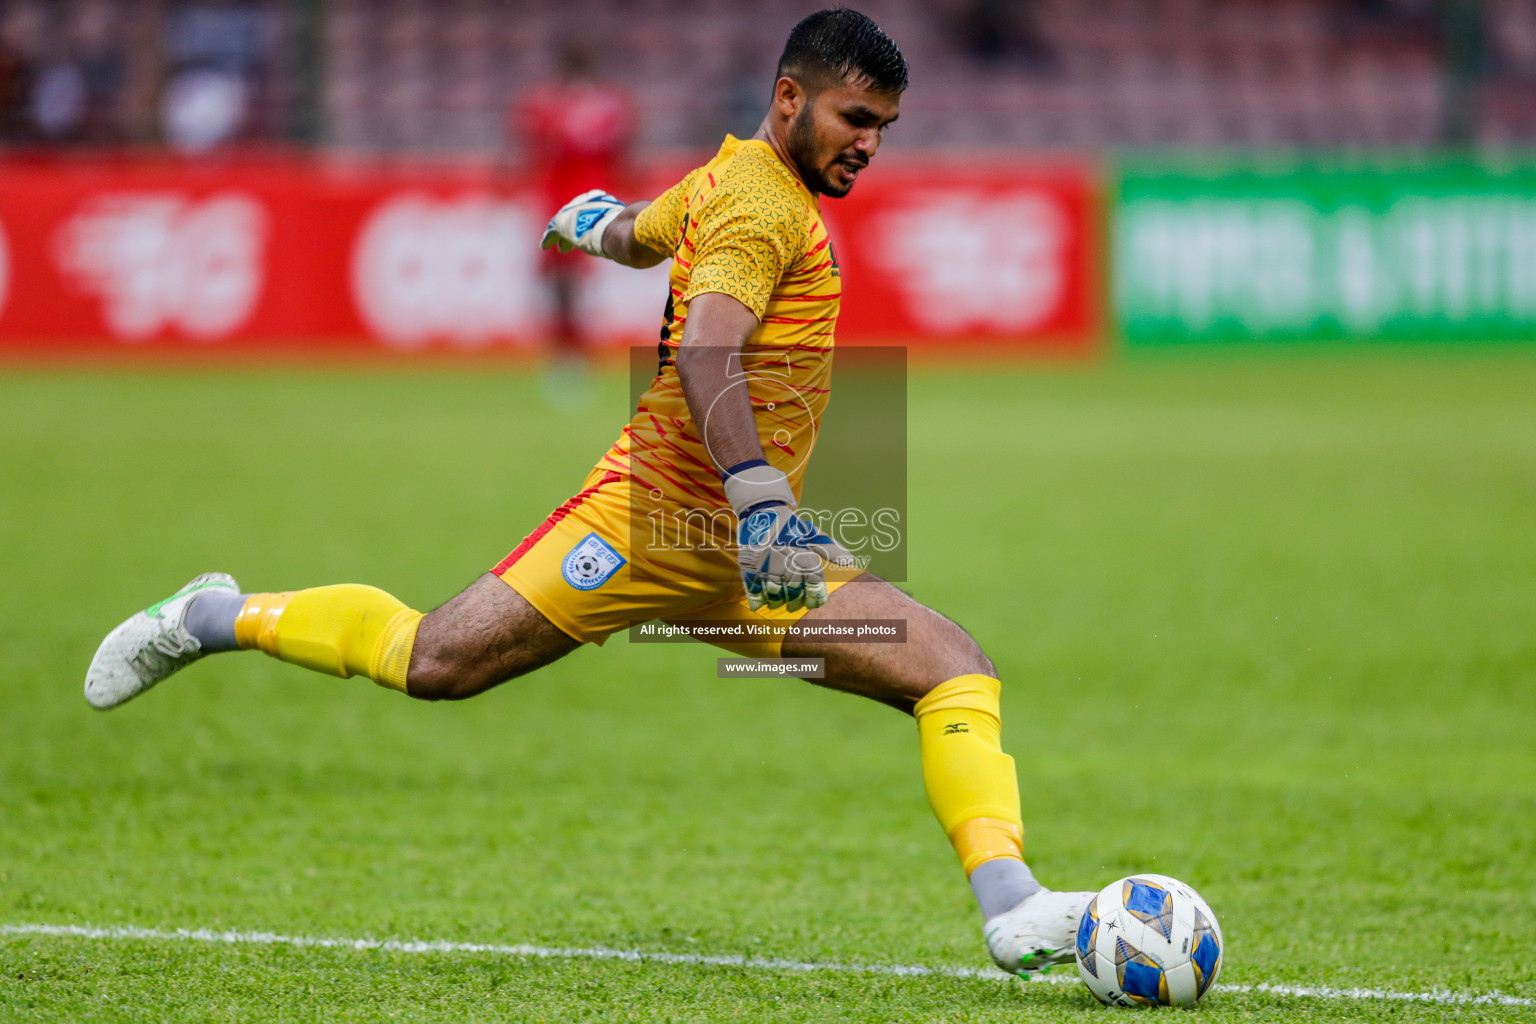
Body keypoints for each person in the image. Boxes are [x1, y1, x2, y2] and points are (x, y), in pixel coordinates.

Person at [83, 9, 1094, 979]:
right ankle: (209, 615)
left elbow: (644, 233)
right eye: (855, 119)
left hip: (746, 555)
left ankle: (1012, 908)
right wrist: (760, 499)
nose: (871, 144)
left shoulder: (724, 178)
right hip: (655, 522)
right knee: (436, 661)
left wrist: (593, 222)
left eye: (884, 127)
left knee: (952, 668)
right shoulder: (761, 202)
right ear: (791, 99)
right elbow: (707, 352)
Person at [514, 42, 636, 363]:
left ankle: (570, 347)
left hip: (561, 197)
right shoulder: (609, 104)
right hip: (591, 195)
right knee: (570, 276)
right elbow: (623, 152)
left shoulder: (547, 103)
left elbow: (529, 151)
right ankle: (572, 345)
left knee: (566, 276)